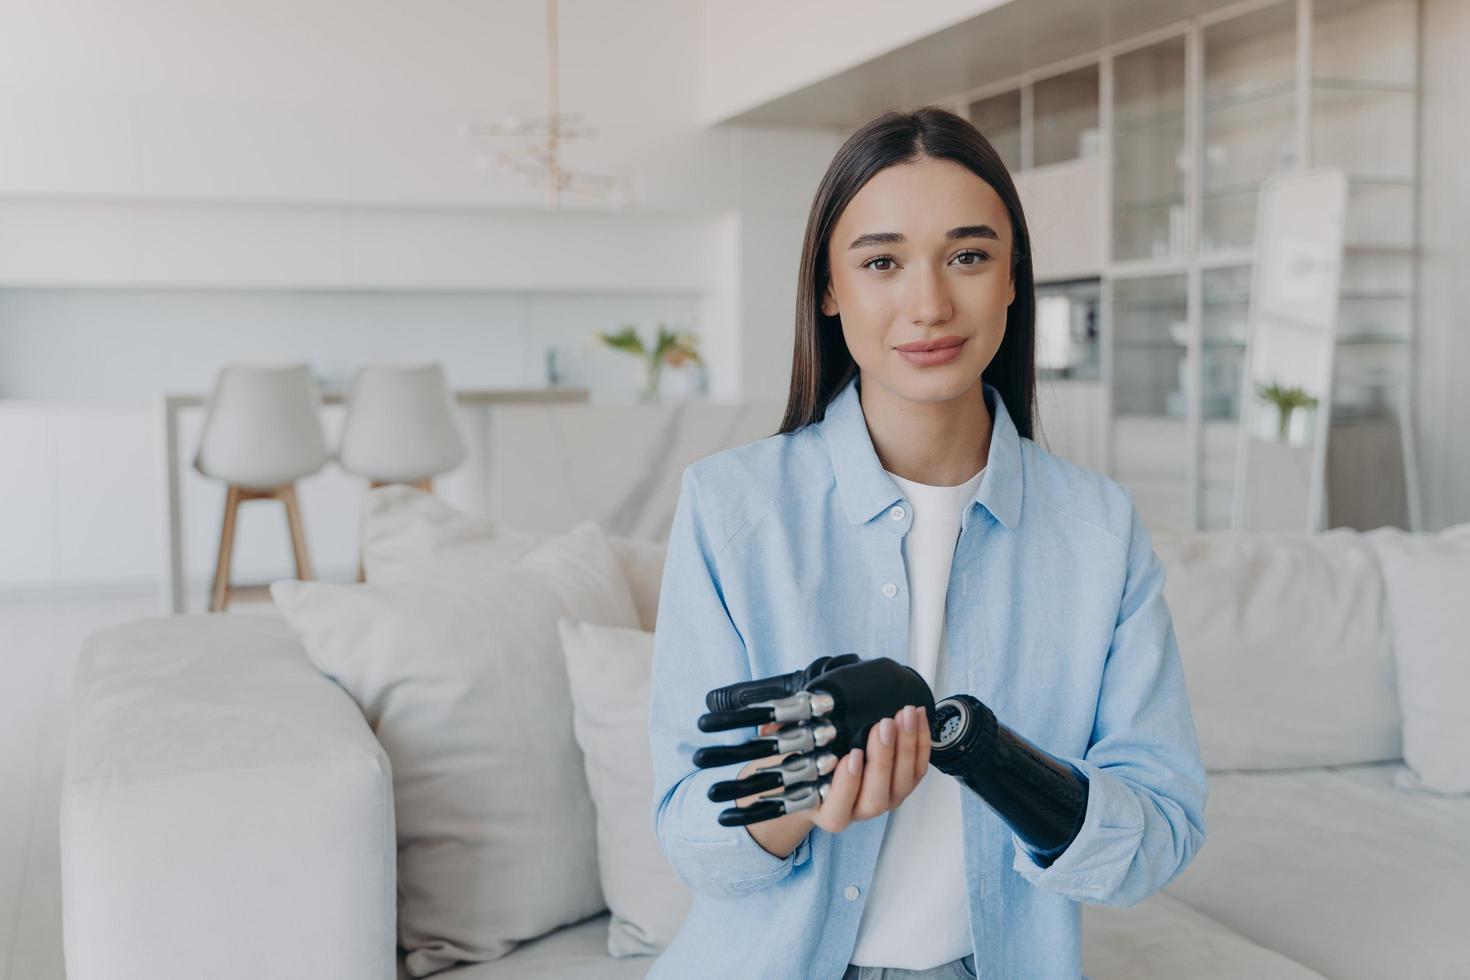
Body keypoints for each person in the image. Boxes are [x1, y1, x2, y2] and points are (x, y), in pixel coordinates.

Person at [646, 105, 1208, 980]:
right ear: (829, 290)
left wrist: (995, 759)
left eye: (969, 256)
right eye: (881, 262)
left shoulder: (1100, 532)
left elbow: (1159, 834)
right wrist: (803, 788)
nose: (930, 304)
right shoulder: (731, 509)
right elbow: (694, 841)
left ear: (1013, 277)